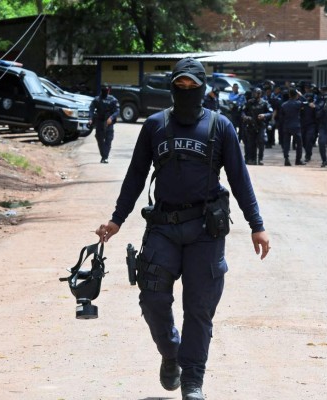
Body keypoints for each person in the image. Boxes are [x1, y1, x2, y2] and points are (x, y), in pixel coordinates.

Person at [94, 57, 270, 400]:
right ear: (172, 87)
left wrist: (256, 225)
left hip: (206, 229)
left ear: (203, 89)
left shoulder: (221, 127)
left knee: (199, 307)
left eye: (193, 86)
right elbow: (135, 176)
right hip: (163, 226)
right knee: (152, 297)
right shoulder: (156, 126)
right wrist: (116, 220)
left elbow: (239, 178)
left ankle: (192, 381)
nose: (187, 91)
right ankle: (171, 352)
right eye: (181, 86)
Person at [88, 83, 120, 163]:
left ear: (108, 90)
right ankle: (104, 156)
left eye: (106, 90)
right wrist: (90, 118)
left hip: (108, 122)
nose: (105, 91)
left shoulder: (113, 100)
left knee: (108, 139)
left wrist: (111, 117)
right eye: (103, 90)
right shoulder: (97, 99)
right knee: (100, 139)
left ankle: (105, 157)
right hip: (99, 122)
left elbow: (117, 111)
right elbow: (91, 109)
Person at [242, 87, 272, 165]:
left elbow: (270, 112)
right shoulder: (249, 102)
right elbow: (243, 112)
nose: (256, 94)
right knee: (251, 143)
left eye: (258, 93)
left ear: (260, 94)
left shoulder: (265, 103)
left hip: (261, 125)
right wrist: (245, 117)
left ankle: (260, 158)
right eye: (255, 93)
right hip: (251, 125)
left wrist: (264, 115)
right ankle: (253, 159)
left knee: (261, 141)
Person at [279, 88, 306, 166]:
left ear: (289, 95)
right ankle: (298, 160)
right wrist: (301, 96)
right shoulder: (298, 103)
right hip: (296, 126)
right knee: (299, 144)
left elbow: (281, 117)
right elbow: (306, 102)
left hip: (286, 126)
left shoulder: (284, 104)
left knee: (286, 143)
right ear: (296, 95)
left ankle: (286, 159)